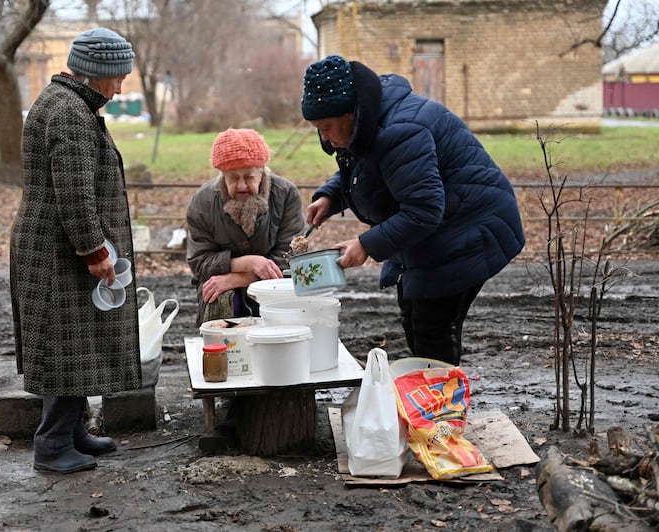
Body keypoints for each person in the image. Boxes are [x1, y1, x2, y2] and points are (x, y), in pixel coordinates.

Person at [300, 55, 525, 365]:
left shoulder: (400, 131)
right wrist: (330, 196)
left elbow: (423, 210)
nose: (323, 137)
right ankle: (429, 402)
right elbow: (369, 168)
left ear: (351, 111)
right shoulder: (368, 123)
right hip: (438, 228)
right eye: (317, 129)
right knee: (414, 320)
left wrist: (366, 244)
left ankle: (440, 410)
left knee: (432, 332)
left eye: (326, 126)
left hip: (469, 227)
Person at [10, 27, 141, 474]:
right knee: (68, 344)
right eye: (117, 78)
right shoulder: (69, 113)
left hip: (53, 245)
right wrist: (94, 250)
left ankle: (73, 432)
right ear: (95, 73)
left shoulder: (67, 103)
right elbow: (74, 193)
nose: (120, 87)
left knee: (75, 342)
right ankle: (51, 446)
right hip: (58, 251)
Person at [186, 128, 305, 326]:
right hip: (220, 286)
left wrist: (237, 279)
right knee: (218, 298)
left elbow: (292, 256)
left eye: (249, 177)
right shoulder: (203, 202)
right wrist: (247, 262)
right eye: (233, 177)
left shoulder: (285, 194)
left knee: (278, 309)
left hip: (274, 284)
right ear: (222, 176)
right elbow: (199, 261)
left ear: (262, 173)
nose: (241, 185)